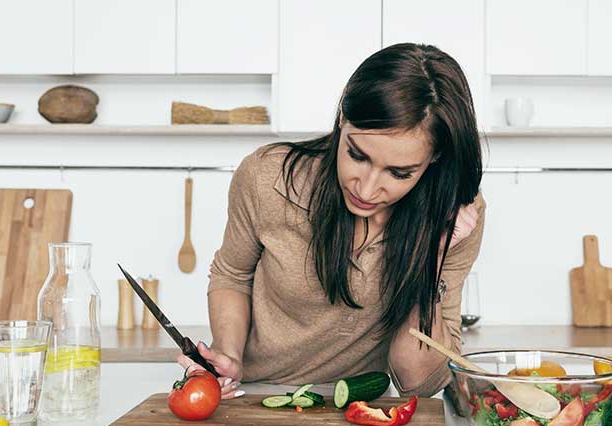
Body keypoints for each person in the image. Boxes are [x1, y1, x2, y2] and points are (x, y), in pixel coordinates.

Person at [177, 42, 485, 398]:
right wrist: (228, 356)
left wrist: (433, 252)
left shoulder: (456, 213)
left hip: (363, 404)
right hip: (258, 395)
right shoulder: (268, 177)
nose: (367, 189)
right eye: (357, 155)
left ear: (434, 159)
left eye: (399, 173)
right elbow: (232, 274)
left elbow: (417, 381)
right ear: (342, 116)